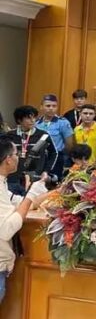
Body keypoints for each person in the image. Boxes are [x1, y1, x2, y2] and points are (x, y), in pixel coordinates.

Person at [0, 136, 52, 303]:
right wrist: (31, 194)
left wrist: (55, 192)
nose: (19, 158)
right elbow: (7, 229)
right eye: (16, 154)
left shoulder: (2, 183)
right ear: (8, 159)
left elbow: (22, 204)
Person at [5, 106, 57, 195]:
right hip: (13, 178)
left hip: (35, 177)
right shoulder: (10, 136)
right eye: (28, 118)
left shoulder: (43, 135)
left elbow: (54, 153)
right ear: (19, 120)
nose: (33, 120)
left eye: (34, 117)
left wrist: (46, 171)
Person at [36, 94, 73, 177]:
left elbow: (69, 144)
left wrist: (61, 156)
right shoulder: (36, 123)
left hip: (56, 157)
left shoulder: (63, 122)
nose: (51, 108)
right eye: (48, 106)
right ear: (41, 107)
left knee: (54, 180)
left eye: (54, 106)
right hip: (39, 157)